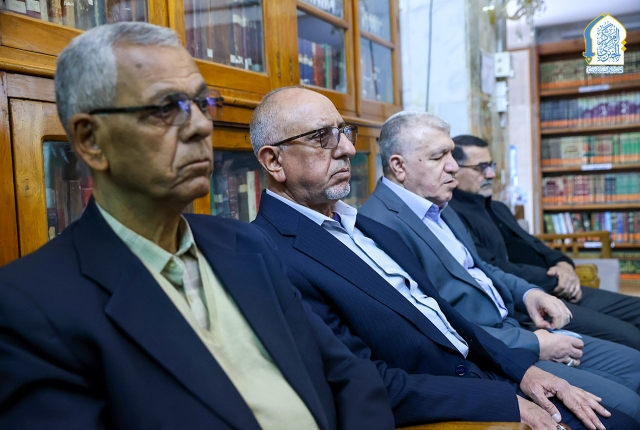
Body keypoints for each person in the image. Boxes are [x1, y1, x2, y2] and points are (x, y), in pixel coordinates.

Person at [0, 23, 396, 430]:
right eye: (166, 109)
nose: (202, 127)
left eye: (202, 103)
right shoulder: (30, 309)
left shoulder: (246, 245)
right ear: (90, 141)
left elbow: (351, 376)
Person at [250, 86, 635, 430]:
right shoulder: (268, 255)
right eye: (322, 137)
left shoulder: (363, 227)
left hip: (492, 366)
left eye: (343, 132)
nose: (348, 149)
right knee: (622, 417)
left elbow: (447, 317)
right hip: (456, 395)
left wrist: (524, 371)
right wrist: (504, 400)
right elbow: (363, 380)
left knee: (623, 412)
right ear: (274, 162)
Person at [359, 111, 640, 422]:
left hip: (518, 326)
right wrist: (533, 343)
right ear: (399, 166)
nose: (453, 166)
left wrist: (530, 294)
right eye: (439, 157)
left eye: (451, 153)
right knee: (626, 405)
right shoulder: (379, 225)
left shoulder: (438, 203)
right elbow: (434, 326)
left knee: (635, 368)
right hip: (491, 354)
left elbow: (482, 268)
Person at [448, 134, 640, 352]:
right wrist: (556, 279)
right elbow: (492, 267)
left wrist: (563, 264)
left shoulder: (497, 208)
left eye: (490, 165)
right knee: (630, 336)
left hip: (557, 287)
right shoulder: (453, 215)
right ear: (455, 169)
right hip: (530, 300)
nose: (490, 174)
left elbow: (535, 244)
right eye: (481, 168)